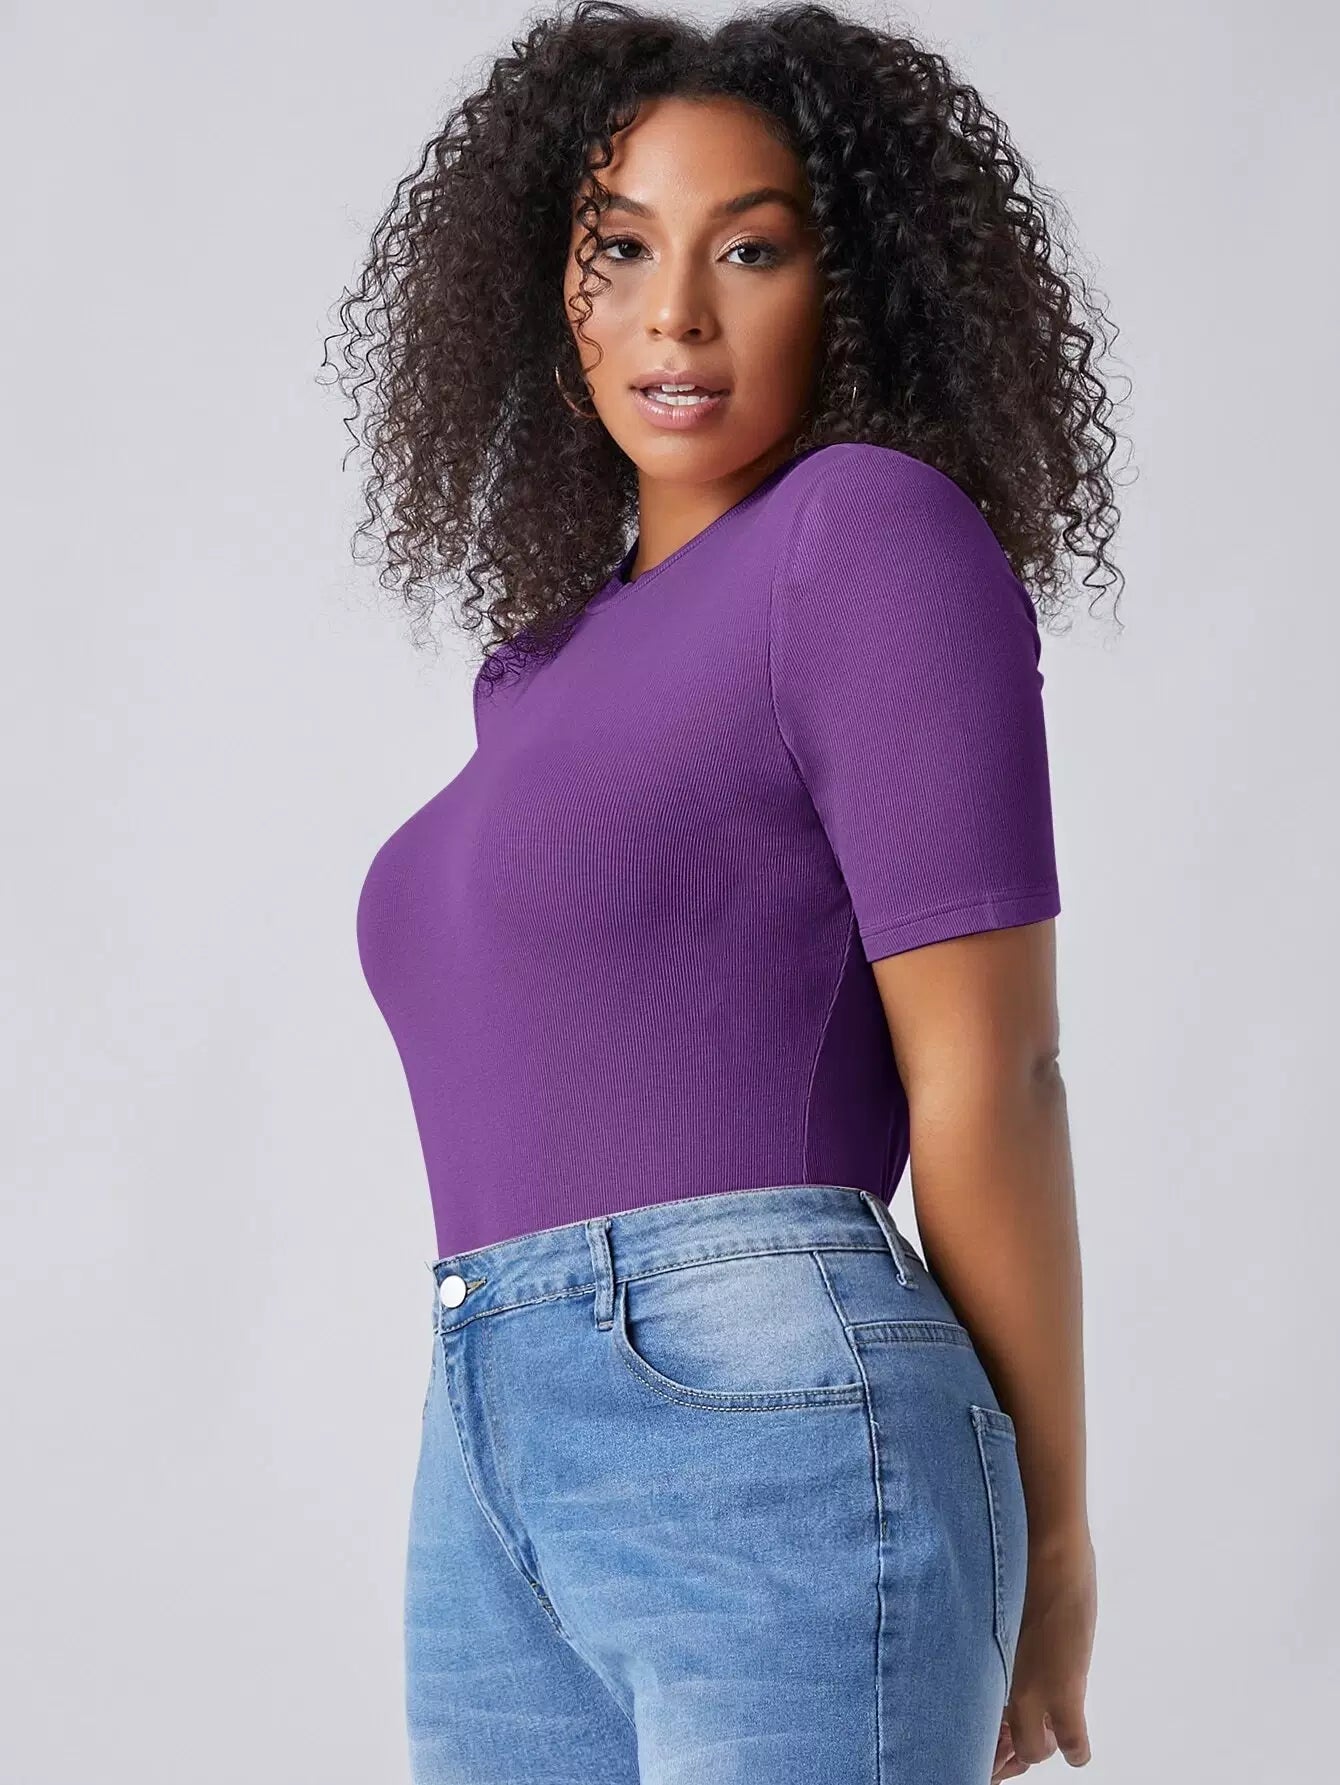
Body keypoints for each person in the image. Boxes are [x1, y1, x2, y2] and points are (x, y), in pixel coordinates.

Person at [332, 2, 1119, 1778]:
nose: (676, 314)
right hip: (487, 1434)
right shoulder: (539, 667)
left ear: (855, 288)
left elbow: (994, 1069)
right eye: (621, 248)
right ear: (553, 293)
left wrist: (1053, 1535)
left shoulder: (865, 532)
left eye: (751, 249)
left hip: (767, 1409)